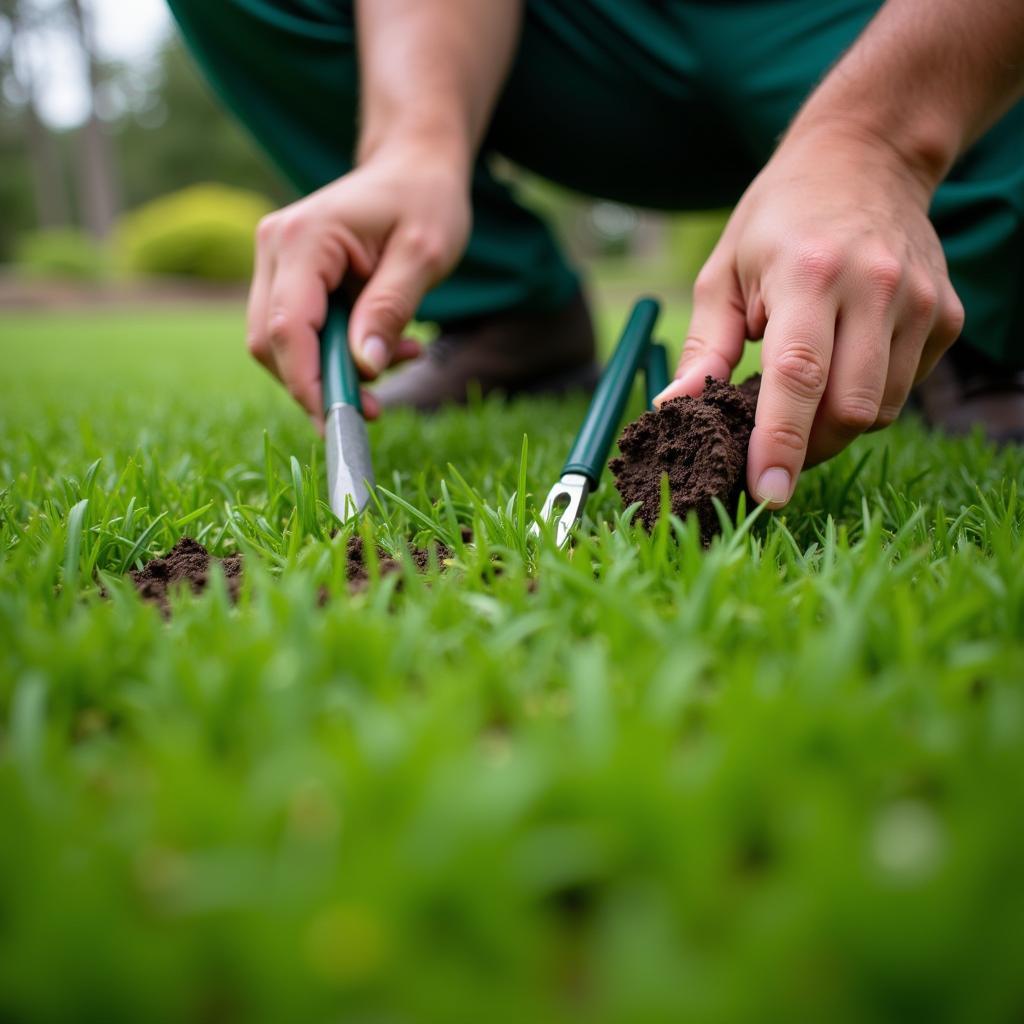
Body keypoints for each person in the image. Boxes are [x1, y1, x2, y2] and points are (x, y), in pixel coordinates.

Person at [168, 0, 1024, 508]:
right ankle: (507, 313)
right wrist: (415, 138)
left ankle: (970, 314)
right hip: (594, 44)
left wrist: (876, 140)